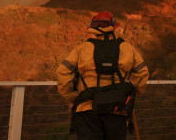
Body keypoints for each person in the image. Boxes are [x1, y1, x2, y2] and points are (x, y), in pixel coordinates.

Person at [57, 11, 149, 140]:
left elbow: (62, 72)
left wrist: (71, 97)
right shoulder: (127, 48)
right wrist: (129, 94)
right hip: (117, 108)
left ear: (94, 28)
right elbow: (142, 74)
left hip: (87, 108)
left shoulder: (82, 49)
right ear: (114, 27)